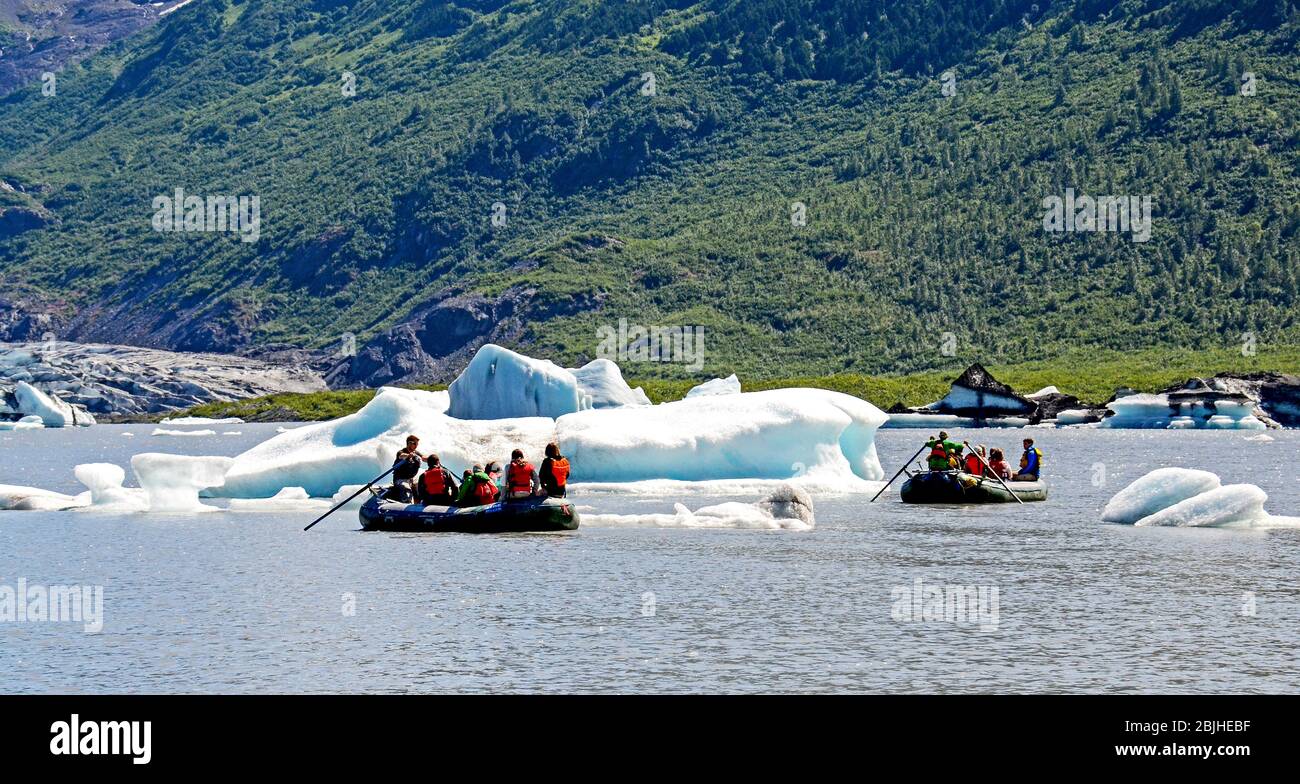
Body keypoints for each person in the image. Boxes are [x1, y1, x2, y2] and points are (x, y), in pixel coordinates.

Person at [387, 435, 424, 502]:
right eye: (415, 444)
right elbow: (401, 456)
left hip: (411, 479)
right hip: (400, 479)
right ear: (409, 443)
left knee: (422, 486)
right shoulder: (401, 452)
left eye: (417, 444)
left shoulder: (416, 452)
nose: (416, 446)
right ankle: (408, 504)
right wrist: (409, 456)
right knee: (406, 488)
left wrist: (432, 459)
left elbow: (424, 458)